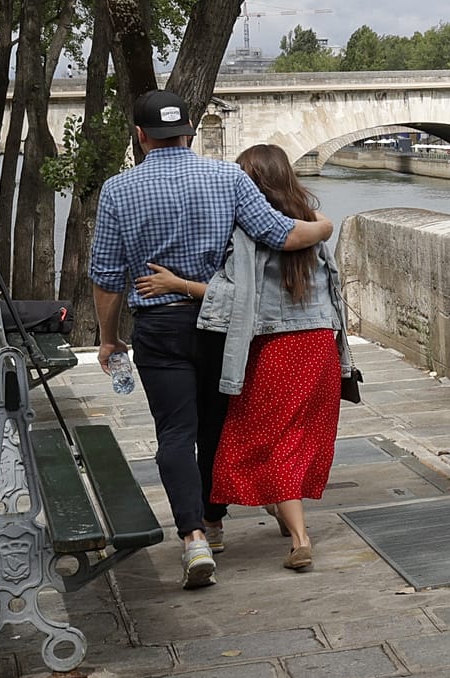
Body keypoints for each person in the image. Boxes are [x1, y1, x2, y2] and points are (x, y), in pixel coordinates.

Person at [90, 90, 333, 590]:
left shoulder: (118, 190)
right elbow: (280, 235)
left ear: (140, 135)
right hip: (220, 323)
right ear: (190, 132)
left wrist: (109, 338)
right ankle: (216, 521)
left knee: (175, 433)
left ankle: (193, 538)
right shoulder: (227, 178)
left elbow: (106, 278)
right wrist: (323, 227)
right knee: (218, 425)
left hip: (159, 327)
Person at [136, 144, 347, 573]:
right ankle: (279, 513)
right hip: (321, 347)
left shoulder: (249, 236)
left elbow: (234, 298)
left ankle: (299, 538)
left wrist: (179, 283)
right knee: (300, 436)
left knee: (270, 440)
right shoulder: (311, 224)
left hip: (276, 351)